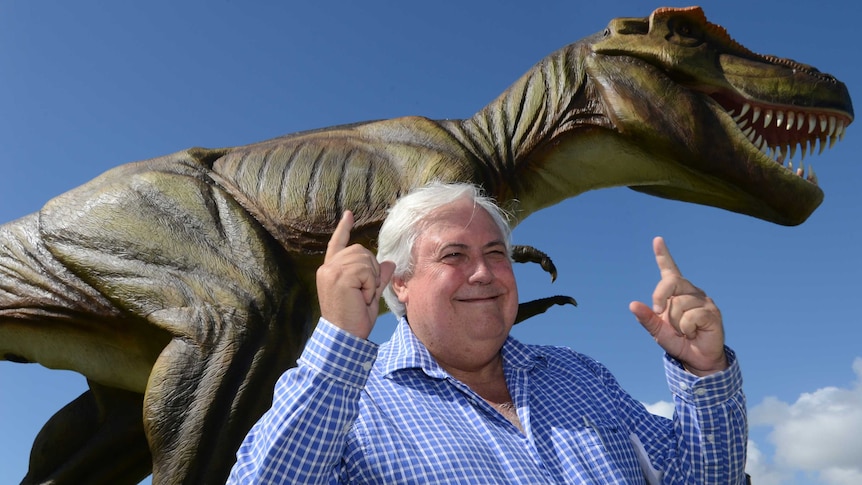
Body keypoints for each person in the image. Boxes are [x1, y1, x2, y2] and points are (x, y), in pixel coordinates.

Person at [228, 182, 748, 484]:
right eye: (454, 255)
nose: (483, 273)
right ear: (399, 282)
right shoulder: (350, 405)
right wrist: (340, 341)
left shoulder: (580, 375)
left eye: (496, 254)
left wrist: (705, 371)